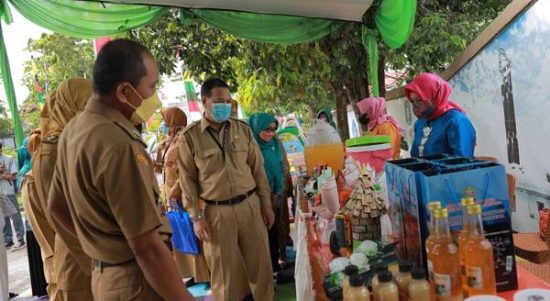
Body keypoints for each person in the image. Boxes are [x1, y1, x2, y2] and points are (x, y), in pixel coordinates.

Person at [47, 39, 193, 301]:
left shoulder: (73, 130)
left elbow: (55, 206)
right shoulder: (118, 143)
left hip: (107, 280)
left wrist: (101, 248)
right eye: (151, 86)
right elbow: (147, 248)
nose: (154, 96)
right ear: (125, 91)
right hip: (139, 282)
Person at [177, 78, 275, 301]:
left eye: (228, 101)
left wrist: (266, 204)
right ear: (205, 101)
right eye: (220, 101)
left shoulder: (243, 129)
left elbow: (257, 169)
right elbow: (187, 181)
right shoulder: (190, 138)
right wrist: (196, 218)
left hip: (250, 206)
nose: (226, 105)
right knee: (224, 276)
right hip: (216, 213)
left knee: (262, 269)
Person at [33, 78, 94, 301]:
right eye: (85, 105)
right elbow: (58, 216)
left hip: (96, 254)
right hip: (79, 259)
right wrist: (95, 263)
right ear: (69, 106)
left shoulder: (74, 143)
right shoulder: (52, 151)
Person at [154, 107, 210, 285]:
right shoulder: (168, 141)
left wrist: (175, 190)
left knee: (195, 233)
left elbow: (187, 170)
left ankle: (206, 273)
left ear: (173, 120)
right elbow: (163, 167)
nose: (162, 124)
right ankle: (192, 273)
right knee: (182, 233)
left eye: (165, 120)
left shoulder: (183, 139)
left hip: (183, 195)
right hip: (171, 197)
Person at [248, 113, 291, 278]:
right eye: (267, 129)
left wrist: (282, 180)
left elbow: (282, 164)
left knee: (277, 228)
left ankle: (279, 261)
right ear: (258, 128)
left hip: (277, 193)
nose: (271, 133)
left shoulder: (275, 142)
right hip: (259, 197)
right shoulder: (251, 146)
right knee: (265, 231)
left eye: (274, 129)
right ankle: (269, 267)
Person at [404, 72, 476, 158]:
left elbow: (463, 162)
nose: (415, 104)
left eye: (419, 99)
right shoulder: (420, 123)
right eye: (412, 100)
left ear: (435, 96)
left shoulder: (456, 121)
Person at [0, 142, 25, 250]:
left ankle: (20, 239)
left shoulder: (9, 159)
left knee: (14, 215)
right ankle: (8, 240)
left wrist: (2, 175)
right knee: (3, 216)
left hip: (7, 191)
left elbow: (14, 177)